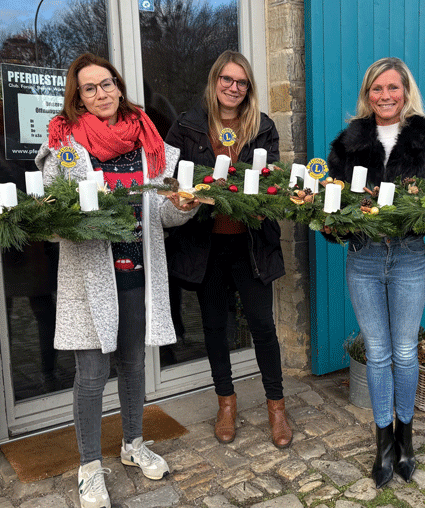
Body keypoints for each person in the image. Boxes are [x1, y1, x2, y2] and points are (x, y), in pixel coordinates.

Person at [35, 53, 199, 508]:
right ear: (78, 97)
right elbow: (48, 218)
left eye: (106, 84)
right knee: (91, 375)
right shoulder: (64, 144)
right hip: (89, 280)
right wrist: (70, 219)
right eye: (90, 88)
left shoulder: (147, 138)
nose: (101, 93)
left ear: (119, 86)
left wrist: (182, 208)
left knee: (132, 366)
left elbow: (161, 212)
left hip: (138, 275)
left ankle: (132, 444)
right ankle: (89, 466)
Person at [326, 57, 425, 489]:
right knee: (378, 351)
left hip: (409, 257)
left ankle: (406, 437)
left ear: (406, 93)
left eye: (393, 88)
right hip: (364, 258)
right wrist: (334, 224)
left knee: (405, 352)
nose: (385, 96)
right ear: (367, 94)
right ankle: (383, 442)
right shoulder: (347, 144)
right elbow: (332, 203)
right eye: (377, 88)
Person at [164, 50, 291, 448]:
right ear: (215, 80)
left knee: (262, 326)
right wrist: (178, 197)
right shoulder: (187, 125)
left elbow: (270, 180)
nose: (234, 88)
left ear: (248, 87)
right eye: (227, 80)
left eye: (241, 82)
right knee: (215, 327)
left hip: (251, 243)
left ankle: (276, 405)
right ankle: (226, 403)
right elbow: (168, 178)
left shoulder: (263, 127)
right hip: (207, 244)